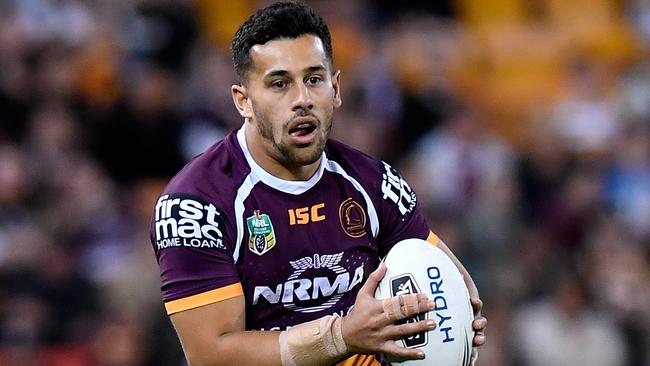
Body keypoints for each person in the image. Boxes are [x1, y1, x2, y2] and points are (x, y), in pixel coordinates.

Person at [149, 2, 486, 365]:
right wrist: (340, 337)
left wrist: (460, 321)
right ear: (243, 101)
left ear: (336, 88)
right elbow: (211, 355)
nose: (302, 100)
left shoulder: (376, 185)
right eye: (280, 84)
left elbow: (444, 277)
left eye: (314, 79)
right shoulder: (195, 204)